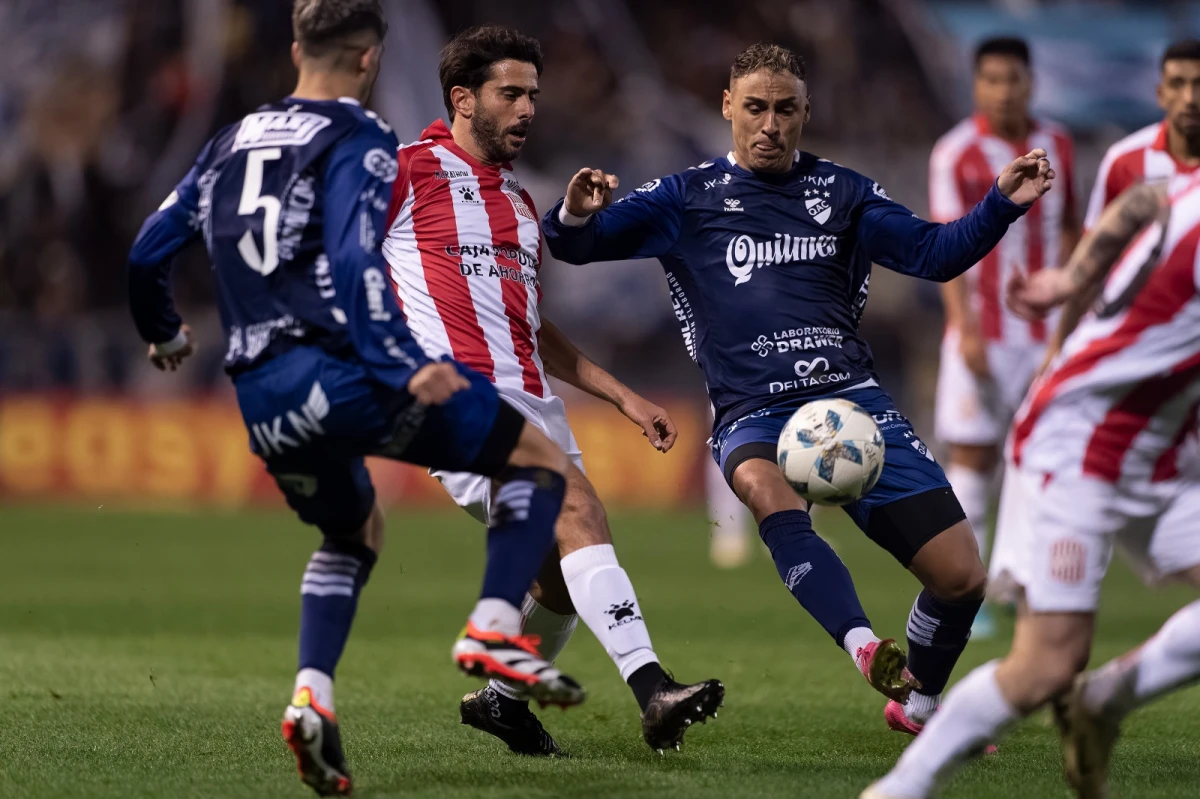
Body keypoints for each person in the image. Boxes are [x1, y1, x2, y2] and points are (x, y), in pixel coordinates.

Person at [127, 4, 585, 795]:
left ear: (297, 46)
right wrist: (402, 360)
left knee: (353, 531)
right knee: (539, 463)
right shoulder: (360, 139)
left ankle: (313, 696)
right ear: (371, 58)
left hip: (260, 395)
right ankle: (493, 627)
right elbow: (352, 258)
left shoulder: (228, 141)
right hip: (338, 372)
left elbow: (146, 252)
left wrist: (165, 333)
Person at [542, 42, 1053, 735]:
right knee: (759, 482)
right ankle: (862, 642)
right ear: (728, 107)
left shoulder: (843, 193)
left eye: (786, 109)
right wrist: (574, 212)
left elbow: (934, 253)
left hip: (856, 402)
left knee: (963, 578)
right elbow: (575, 245)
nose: (770, 124)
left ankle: (919, 703)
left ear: (806, 112)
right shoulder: (685, 198)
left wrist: (1000, 203)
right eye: (755, 107)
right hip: (756, 410)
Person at [381, 25, 723, 756]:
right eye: (511, 94)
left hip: (534, 402)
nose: (528, 108)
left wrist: (623, 396)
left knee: (564, 574)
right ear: (462, 99)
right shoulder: (404, 173)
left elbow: (533, 327)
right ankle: (653, 687)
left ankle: (502, 702)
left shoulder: (519, 204)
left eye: (533, 94)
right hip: (458, 401)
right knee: (575, 505)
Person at [862, 175, 1200, 799]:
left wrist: (1072, 278)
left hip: (1156, 451)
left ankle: (1105, 697)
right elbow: (1149, 199)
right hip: (1076, 446)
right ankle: (896, 791)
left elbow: (1151, 198)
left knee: (1059, 665)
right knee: (1047, 664)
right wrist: (1075, 279)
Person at [929, 37, 1080, 640]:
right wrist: (965, 329)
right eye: (991, 79)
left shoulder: (1060, 145)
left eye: (1013, 79)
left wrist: (1070, 320)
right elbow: (944, 239)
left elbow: (1073, 232)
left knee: (1044, 458)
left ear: (1030, 81)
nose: (1003, 90)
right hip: (982, 333)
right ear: (976, 85)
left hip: (1046, 334)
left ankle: (1027, 581)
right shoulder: (956, 152)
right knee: (973, 455)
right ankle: (969, 590)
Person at [1084, 40, 1200, 229]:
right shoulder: (1123, 162)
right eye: (1177, 84)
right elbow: (1095, 249)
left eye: (1199, 84)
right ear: (1161, 94)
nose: (1190, 98)